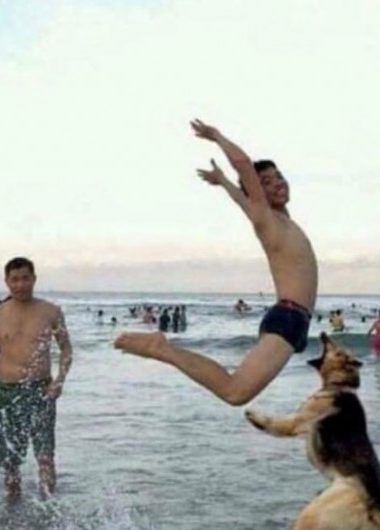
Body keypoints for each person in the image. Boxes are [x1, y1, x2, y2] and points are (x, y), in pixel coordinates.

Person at [114, 118, 318, 406]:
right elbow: (244, 165)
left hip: (297, 320)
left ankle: (163, 349)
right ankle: (163, 349)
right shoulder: (267, 219)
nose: (277, 183)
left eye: (278, 176)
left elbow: (243, 200)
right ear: (257, 193)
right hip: (288, 317)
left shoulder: (281, 221)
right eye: (266, 182)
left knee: (237, 391)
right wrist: (217, 137)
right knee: (235, 392)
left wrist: (222, 182)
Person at [0, 257, 73, 499]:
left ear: (34, 279)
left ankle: (49, 513)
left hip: (41, 391)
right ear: (6, 282)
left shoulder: (51, 312)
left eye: (25, 278)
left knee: (45, 457)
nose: (20, 285)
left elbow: (66, 349)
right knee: (10, 463)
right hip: (7, 393)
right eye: (14, 280)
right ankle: (13, 519)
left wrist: (59, 381)